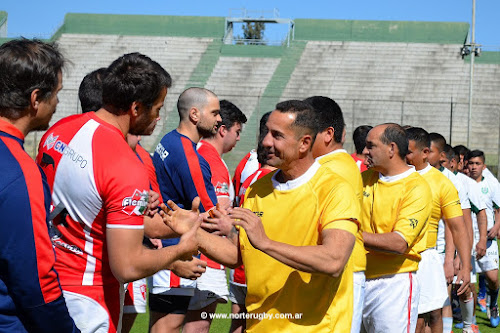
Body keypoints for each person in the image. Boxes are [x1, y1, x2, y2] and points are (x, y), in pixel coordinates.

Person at [36, 53, 200, 333]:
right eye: (157, 108)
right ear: (136, 108)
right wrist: (180, 251)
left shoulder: (61, 129)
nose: (159, 117)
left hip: (45, 281)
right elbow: (128, 266)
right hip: (88, 297)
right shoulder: (125, 164)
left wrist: (168, 227)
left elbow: (94, 211)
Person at [164, 100, 360, 332]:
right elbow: (238, 253)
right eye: (266, 132)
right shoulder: (259, 188)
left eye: (277, 135)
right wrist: (192, 230)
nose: (266, 141)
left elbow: (334, 260)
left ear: (304, 143)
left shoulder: (335, 188)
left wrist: (265, 242)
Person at [0, 38, 79, 333]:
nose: (57, 103)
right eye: (55, 94)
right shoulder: (20, 171)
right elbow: (36, 281)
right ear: (35, 99)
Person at [150, 87, 221, 333]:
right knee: (169, 324)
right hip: (178, 249)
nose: (219, 119)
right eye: (215, 113)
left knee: (163, 322)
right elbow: (211, 214)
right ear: (194, 114)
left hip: (167, 244)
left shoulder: (168, 139)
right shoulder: (190, 156)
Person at [360, 123, 432, 333]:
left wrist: (348, 233)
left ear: (392, 149)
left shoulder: (417, 188)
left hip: (393, 284)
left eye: (370, 146)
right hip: (356, 277)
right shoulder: (363, 179)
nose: (365, 152)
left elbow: (399, 243)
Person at [184, 100, 247, 333]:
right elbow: (215, 216)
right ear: (223, 130)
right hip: (207, 259)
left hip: (197, 253)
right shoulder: (212, 161)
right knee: (199, 326)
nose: (238, 138)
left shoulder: (197, 153)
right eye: (237, 132)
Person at [305, 95, 365, 333]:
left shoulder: (333, 169)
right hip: (332, 268)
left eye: (306, 132)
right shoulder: (329, 166)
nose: (301, 139)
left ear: (328, 134)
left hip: (341, 270)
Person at [405, 127, 471, 333]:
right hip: (396, 257)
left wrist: (462, 264)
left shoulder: (443, 182)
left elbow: (457, 227)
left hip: (427, 256)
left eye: (407, 151)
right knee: (414, 318)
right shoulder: (392, 176)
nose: (402, 155)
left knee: (433, 314)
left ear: (424, 152)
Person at [230, 111, 274, 333]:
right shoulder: (269, 182)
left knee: (239, 321)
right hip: (257, 267)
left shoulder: (246, 170)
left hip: (239, 262)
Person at [466, 150, 500, 328]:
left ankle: (493, 305)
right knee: (468, 282)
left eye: (477, 164)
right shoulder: (462, 183)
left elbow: (498, 208)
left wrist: (496, 226)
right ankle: (470, 322)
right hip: (468, 239)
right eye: (470, 163)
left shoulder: (491, 184)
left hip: (487, 238)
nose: (473, 167)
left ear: (483, 166)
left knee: (493, 278)